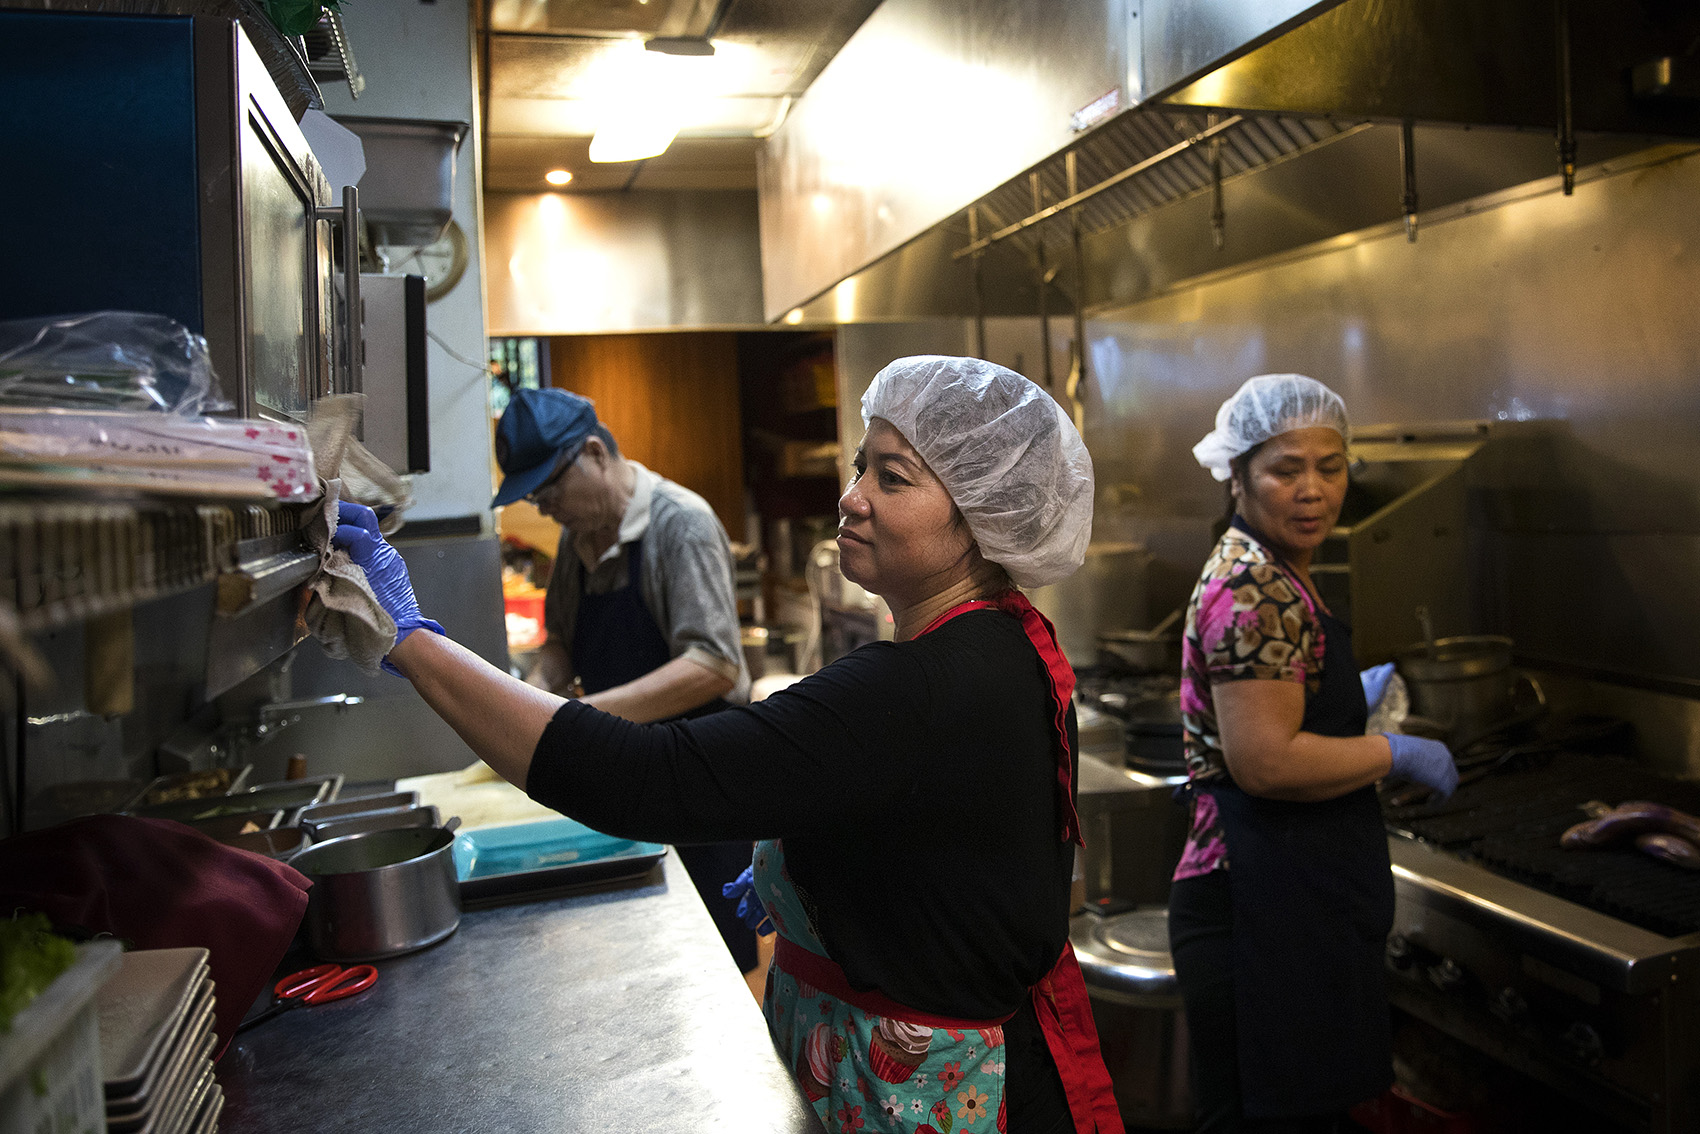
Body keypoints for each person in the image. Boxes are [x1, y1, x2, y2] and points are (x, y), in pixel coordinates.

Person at [330, 356, 1126, 1134]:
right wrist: (821, 872)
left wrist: (411, 640)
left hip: (926, 1094)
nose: (851, 499)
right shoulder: (1001, 647)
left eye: (893, 477)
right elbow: (944, 846)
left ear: (982, 516)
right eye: (860, 467)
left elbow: (643, 779)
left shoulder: (913, 686)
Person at [1167, 374, 1459, 1133]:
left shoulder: (1277, 567)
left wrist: (1336, 697)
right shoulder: (1254, 585)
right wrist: (1390, 751)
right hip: (1257, 913)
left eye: (1330, 467)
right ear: (1238, 473)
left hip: (1281, 900)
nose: (1312, 490)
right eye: (1285, 469)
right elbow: (1265, 763)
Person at [490, 387, 757, 973]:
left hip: (699, 785)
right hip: (628, 777)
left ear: (594, 452)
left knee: (713, 969)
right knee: (646, 962)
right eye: (535, 493)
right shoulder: (577, 537)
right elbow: (560, 639)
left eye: (551, 486)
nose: (545, 506)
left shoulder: (679, 524)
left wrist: (580, 721)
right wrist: (536, 691)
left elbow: (714, 664)